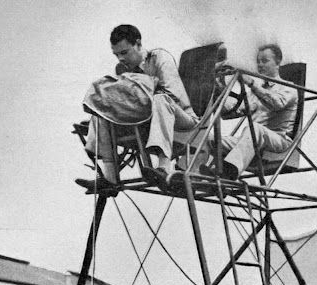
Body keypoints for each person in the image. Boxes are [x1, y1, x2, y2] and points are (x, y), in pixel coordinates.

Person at [76, 24, 198, 194]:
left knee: (161, 99)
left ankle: (163, 168)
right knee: (102, 111)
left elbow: (173, 96)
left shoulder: (158, 58)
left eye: (124, 52)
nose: (120, 58)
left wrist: (143, 89)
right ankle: (110, 178)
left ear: (138, 44)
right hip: (146, 120)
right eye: (116, 54)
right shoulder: (122, 69)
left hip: (182, 120)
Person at [201, 44, 298, 181]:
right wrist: (220, 92)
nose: (260, 65)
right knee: (210, 139)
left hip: (279, 142)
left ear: (277, 63)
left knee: (255, 129)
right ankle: (195, 173)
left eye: (265, 61)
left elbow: (276, 104)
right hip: (252, 141)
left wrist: (251, 83)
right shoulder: (256, 92)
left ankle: (230, 171)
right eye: (258, 61)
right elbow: (233, 111)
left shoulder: (289, 88)